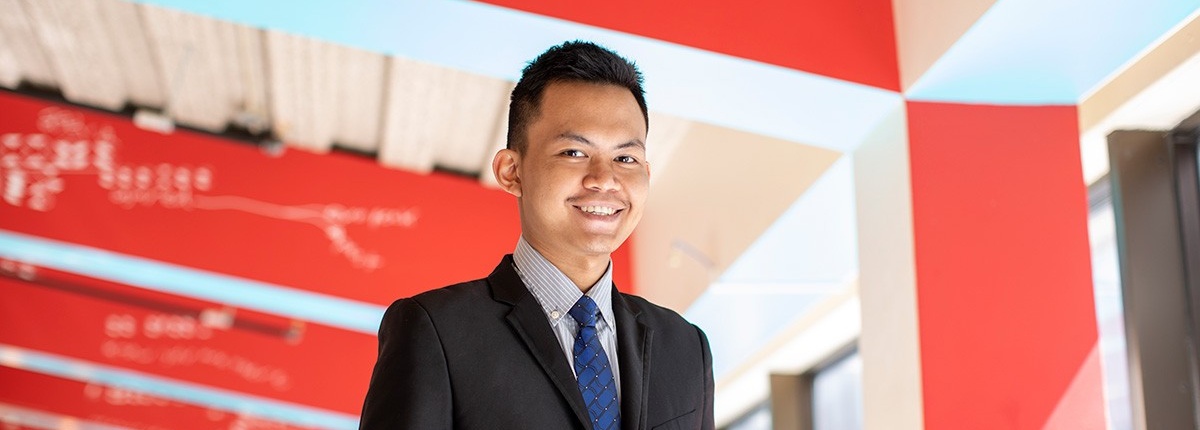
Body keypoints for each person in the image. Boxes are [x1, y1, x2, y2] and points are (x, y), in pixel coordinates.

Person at [358, 40, 714, 430]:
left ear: (645, 173)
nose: (604, 179)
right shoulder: (436, 332)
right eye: (574, 152)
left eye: (625, 158)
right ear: (511, 171)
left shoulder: (686, 348)